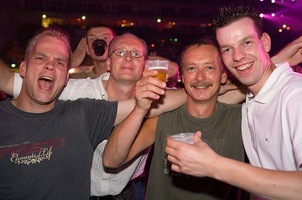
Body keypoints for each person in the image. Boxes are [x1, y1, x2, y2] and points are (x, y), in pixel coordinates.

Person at [0, 28, 167, 199]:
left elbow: (182, 93)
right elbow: (9, 81)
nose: (128, 58)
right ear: (108, 62)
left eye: (136, 54)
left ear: (146, 65)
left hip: (128, 192)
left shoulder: (161, 100)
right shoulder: (74, 92)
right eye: (121, 52)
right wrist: (68, 63)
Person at [165, 5, 302, 200]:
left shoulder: (295, 95)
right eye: (228, 49)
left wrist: (214, 166)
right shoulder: (251, 100)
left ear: (265, 42)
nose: (237, 56)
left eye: (246, 43)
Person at [102, 38, 246, 200]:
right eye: (191, 68)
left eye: (209, 68)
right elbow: (110, 160)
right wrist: (140, 108)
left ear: (223, 76)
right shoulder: (163, 118)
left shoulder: (242, 118)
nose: (200, 77)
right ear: (182, 77)